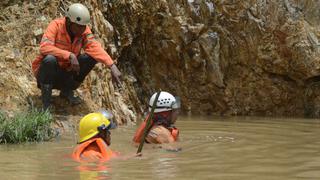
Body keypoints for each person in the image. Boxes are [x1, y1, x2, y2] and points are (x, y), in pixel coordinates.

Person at [32, 3, 122, 110]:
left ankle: (66, 91)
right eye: (79, 27)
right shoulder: (56, 25)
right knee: (49, 60)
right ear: (69, 22)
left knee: (90, 58)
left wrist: (111, 65)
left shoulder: (83, 30)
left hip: (66, 73)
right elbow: (44, 47)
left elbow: (94, 47)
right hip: (47, 74)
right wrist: (69, 55)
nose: (82, 30)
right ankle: (45, 103)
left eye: (84, 27)